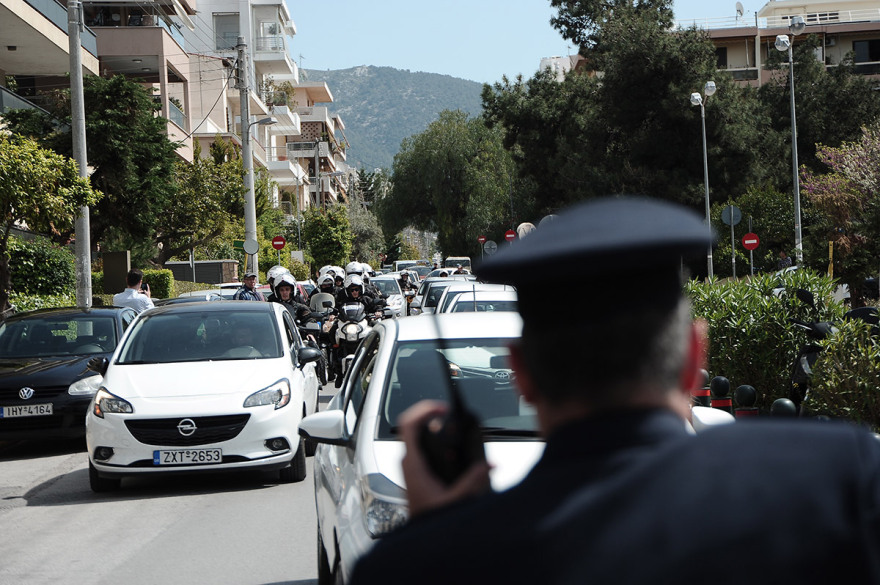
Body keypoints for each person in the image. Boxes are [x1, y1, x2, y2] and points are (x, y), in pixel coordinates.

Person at [350, 197, 880, 584]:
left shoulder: (415, 567)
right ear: (696, 358)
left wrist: (443, 542)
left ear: (522, 374)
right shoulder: (841, 481)